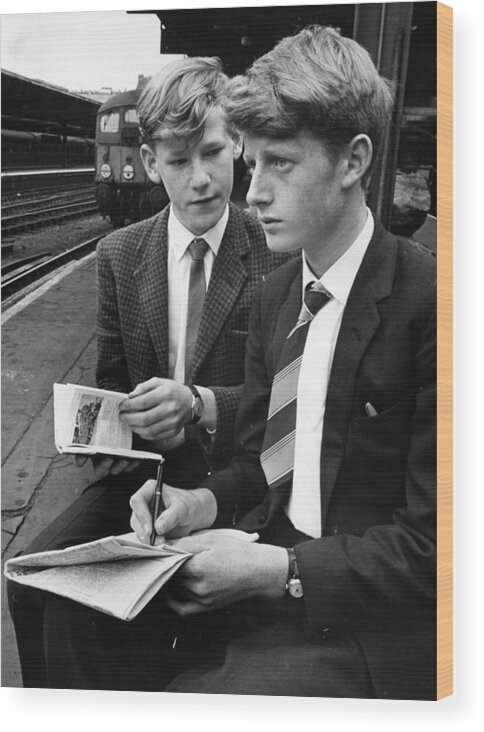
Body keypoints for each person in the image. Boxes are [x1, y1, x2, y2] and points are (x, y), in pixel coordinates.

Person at [13, 26, 436, 699]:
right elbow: (261, 466)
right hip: (259, 555)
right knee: (72, 615)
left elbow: (441, 552)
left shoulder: (434, 307)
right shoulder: (280, 295)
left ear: (354, 161)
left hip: (359, 615)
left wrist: (278, 569)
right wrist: (195, 502)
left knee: (189, 692)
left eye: (278, 165)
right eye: (253, 162)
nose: (253, 190)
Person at [7, 56, 288, 688]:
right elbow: (111, 386)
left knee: (85, 618)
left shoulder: (275, 250)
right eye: (178, 161)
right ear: (150, 158)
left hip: (241, 478)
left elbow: (287, 402)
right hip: (145, 480)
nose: (200, 181)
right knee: (29, 575)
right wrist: (106, 427)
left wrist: (198, 401)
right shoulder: (118, 254)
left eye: (213, 153)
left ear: (236, 146)